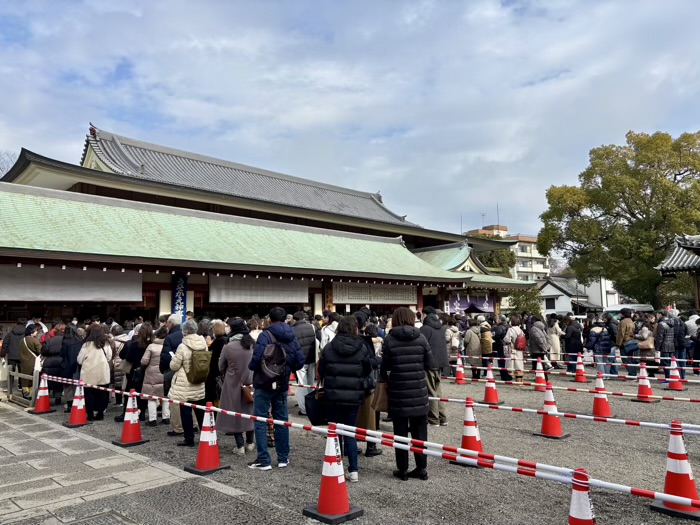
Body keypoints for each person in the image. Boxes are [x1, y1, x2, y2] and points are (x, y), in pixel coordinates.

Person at [247, 307, 305, 471]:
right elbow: (300, 361)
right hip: (282, 383)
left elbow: (256, 358)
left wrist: (253, 367)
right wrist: (286, 368)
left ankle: (264, 459)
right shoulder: (291, 335)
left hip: (263, 382)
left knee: (260, 420)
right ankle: (283, 458)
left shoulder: (265, 335)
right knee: (281, 420)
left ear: (270, 320)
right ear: (285, 320)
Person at [318, 315, 374, 483]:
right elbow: (367, 370)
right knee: (350, 432)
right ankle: (354, 470)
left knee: (334, 432)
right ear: (355, 328)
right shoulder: (362, 347)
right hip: (354, 395)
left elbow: (322, 369)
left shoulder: (329, 347)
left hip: (333, 395)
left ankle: (335, 466)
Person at [381, 307, 433, 481]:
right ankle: (421, 468)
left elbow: (385, 367)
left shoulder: (389, 339)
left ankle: (402, 469)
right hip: (418, 391)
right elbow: (430, 363)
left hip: (398, 392)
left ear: (395, 320)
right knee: (420, 433)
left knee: (400, 432)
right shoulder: (421, 337)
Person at [219, 319, 256, 455]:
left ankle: (239, 446)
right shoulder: (252, 344)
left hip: (233, 383)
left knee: (235, 413)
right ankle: (250, 443)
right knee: (250, 411)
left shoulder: (228, 346)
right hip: (251, 383)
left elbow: (220, 366)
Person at [169, 319, 208, 447]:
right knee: (200, 411)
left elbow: (174, 366)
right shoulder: (203, 343)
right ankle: (206, 436)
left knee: (185, 413)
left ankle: (189, 438)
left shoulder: (182, 346)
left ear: (184, 331)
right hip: (199, 380)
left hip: (184, 383)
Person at [115, 323, 151, 422]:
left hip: (134, 371)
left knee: (130, 392)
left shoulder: (134, 343)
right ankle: (142, 413)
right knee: (143, 393)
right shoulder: (151, 343)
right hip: (148, 372)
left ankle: (127, 412)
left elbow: (127, 357)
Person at [77, 324, 112, 420]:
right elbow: (109, 357)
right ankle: (100, 413)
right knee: (102, 394)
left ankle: (90, 414)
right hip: (103, 373)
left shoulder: (86, 345)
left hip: (89, 374)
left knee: (89, 395)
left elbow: (79, 360)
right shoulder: (106, 343)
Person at [160, 314, 184, 436]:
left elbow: (165, 357)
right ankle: (194, 425)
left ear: (171, 323)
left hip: (173, 371)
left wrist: (163, 369)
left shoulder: (170, 338)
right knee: (190, 400)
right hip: (189, 372)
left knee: (174, 400)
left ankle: (177, 427)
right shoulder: (188, 336)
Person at [141, 325, 170, 426]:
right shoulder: (168, 346)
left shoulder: (151, 346)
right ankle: (166, 417)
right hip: (165, 373)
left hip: (152, 374)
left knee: (152, 397)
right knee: (165, 396)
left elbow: (144, 361)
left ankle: (152, 419)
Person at [291, 311, 317, 416]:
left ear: (295, 319)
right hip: (312, 358)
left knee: (302, 384)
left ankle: (304, 409)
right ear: (304, 318)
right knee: (311, 383)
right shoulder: (313, 327)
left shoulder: (292, 330)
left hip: (300, 360)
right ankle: (312, 404)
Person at [60, 324, 84, 412]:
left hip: (66, 365)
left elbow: (62, 354)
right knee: (76, 384)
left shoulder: (65, 341)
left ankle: (70, 405)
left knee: (67, 386)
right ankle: (77, 402)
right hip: (77, 365)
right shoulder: (80, 340)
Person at [41, 322, 65, 405]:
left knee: (48, 381)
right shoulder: (65, 341)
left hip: (49, 362)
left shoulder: (49, 341)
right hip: (62, 362)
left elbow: (43, 351)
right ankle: (58, 398)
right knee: (60, 381)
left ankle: (45, 399)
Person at [205, 320, 228, 406]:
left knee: (212, 397)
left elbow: (212, 358)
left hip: (214, 374)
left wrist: (209, 346)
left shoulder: (218, 342)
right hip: (223, 374)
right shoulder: (226, 340)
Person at [19, 324, 42, 398]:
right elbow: (41, 351)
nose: (36, 332)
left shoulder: (22, 340)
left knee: (25, 380)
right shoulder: (35, 340)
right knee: (32, 380)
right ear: (32, 331)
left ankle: (25, 394)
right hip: (33, 363)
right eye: (36, 331)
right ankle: (32, 396)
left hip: (23, 363)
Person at [655, 311, 676, 384]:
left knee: (665, 363)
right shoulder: (673, 323)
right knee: (671, 363)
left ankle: (668, 378)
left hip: (664, 346)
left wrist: (657, 348)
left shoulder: (661, 324)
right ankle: (672, 377)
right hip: (671, 345)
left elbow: (660, 338)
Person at [504, 315, 525, 383]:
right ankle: (520, 379)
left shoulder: (510, 329)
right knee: (519, 365)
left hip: (513, 349)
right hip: (520, 349)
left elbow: (507, 339)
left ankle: (516, 380)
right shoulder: (520, 330)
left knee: (513, 365)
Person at [616, 308, 637, 377]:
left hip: (624, 342)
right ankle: (633, 373)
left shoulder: (623, 322)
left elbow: (621, 333)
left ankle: (632, 374)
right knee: (630, 359)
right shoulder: (631, 321)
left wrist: (618, 344)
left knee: (625, 359)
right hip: (631, 341)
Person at [492, 314, 511, 381]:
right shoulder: (509, 326)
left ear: (501, 320)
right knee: (508, 361)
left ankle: (504, 376)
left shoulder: (499, 327)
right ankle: (509, 375)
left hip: (500, 345)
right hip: (508, 345)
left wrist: (493, 337)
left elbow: (497, 336)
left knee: (501, 361)